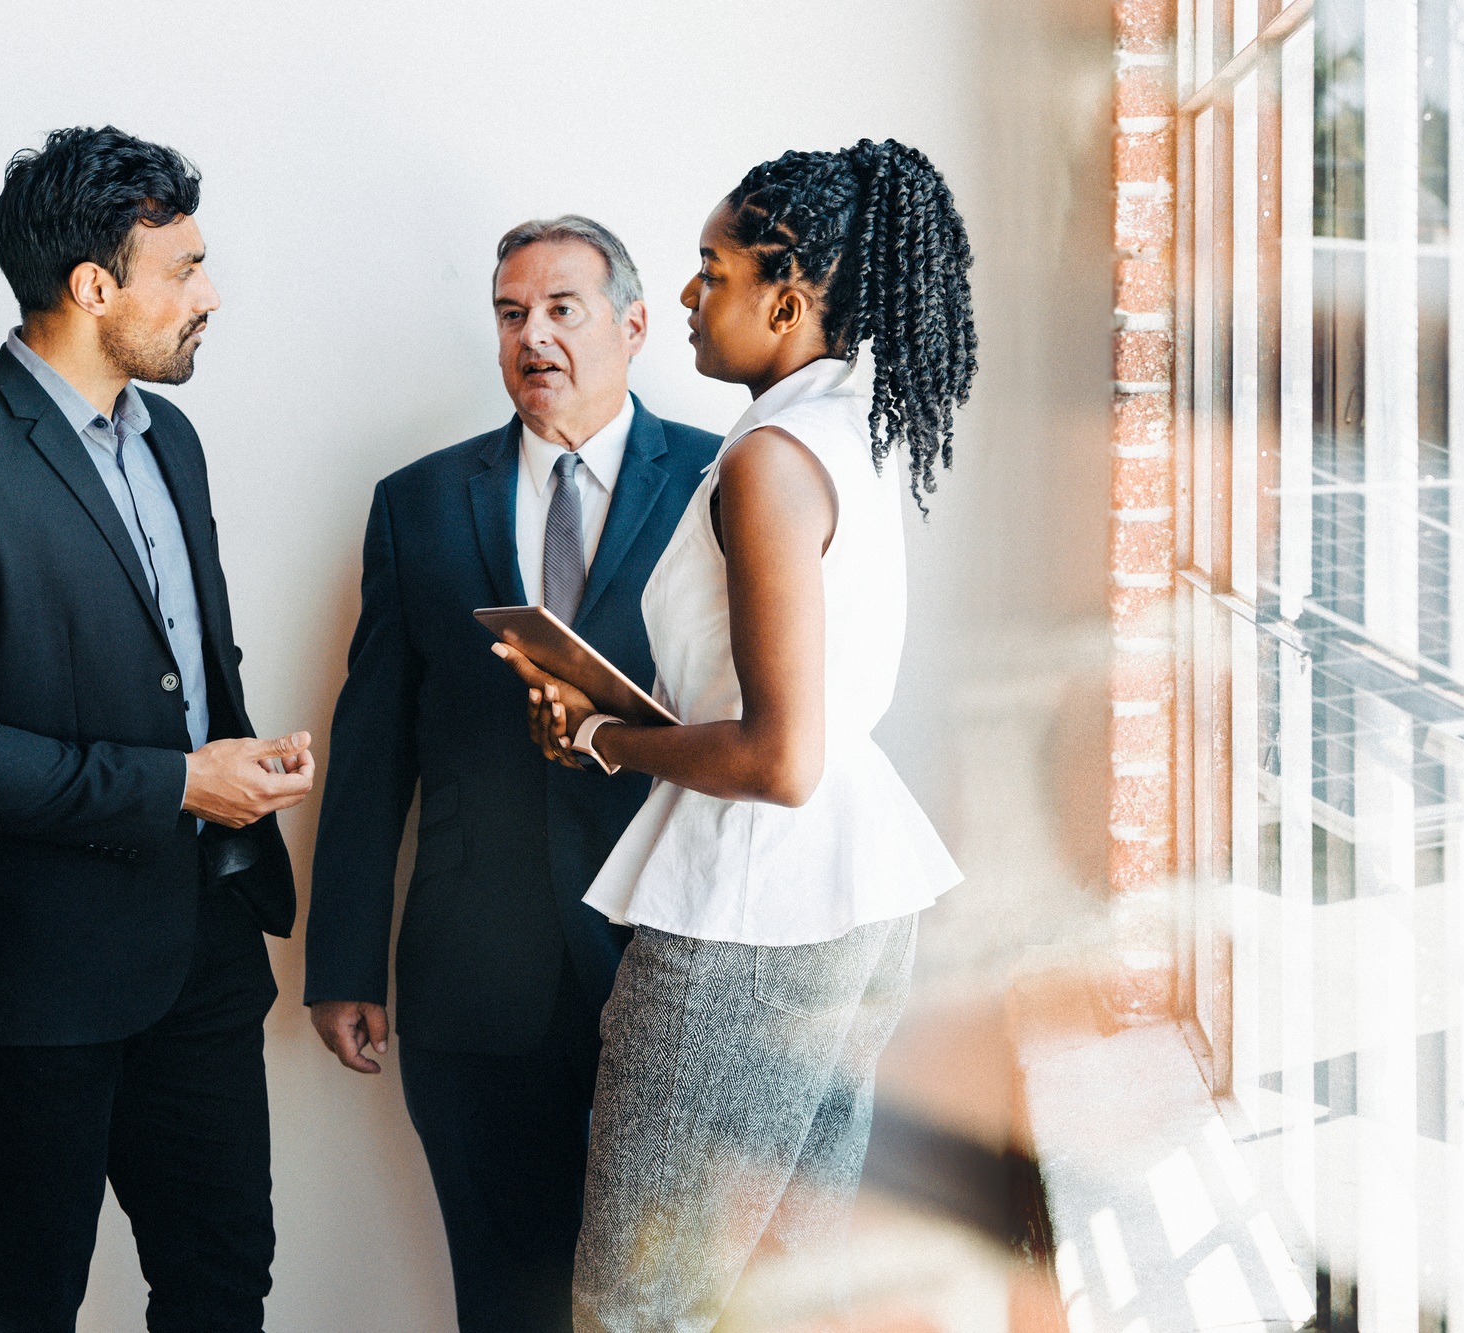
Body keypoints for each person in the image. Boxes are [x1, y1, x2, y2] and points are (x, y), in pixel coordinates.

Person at [496, 138, 977, 1332]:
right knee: (774, 1292)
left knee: (633, 1304)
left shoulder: (766, 458)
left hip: (750, 912)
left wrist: (606, 735)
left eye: (713, 269)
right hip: (853, 898)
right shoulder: (847, 431)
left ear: (789, 296)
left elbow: (775, 756)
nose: (694, 297)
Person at [0, 126, 314, 1333]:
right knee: (21, 1300)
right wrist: (172, 782)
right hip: (29, 976)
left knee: (221, 1285)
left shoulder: (178, 441)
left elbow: (175, 675)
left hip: (205, 949)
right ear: (92, 287)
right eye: (185, 269)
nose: (209, 296)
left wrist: (237, 764)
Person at [302, 216, 721, 1332]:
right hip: (473, 979)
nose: (531, 336)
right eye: (508, 313)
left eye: (561, 309)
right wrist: (343, 958)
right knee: (507, 1299)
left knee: (672, 1300)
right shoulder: (418, 502)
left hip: (669, 958)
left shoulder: (725, 479)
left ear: (632, 327)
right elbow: (373, 742)